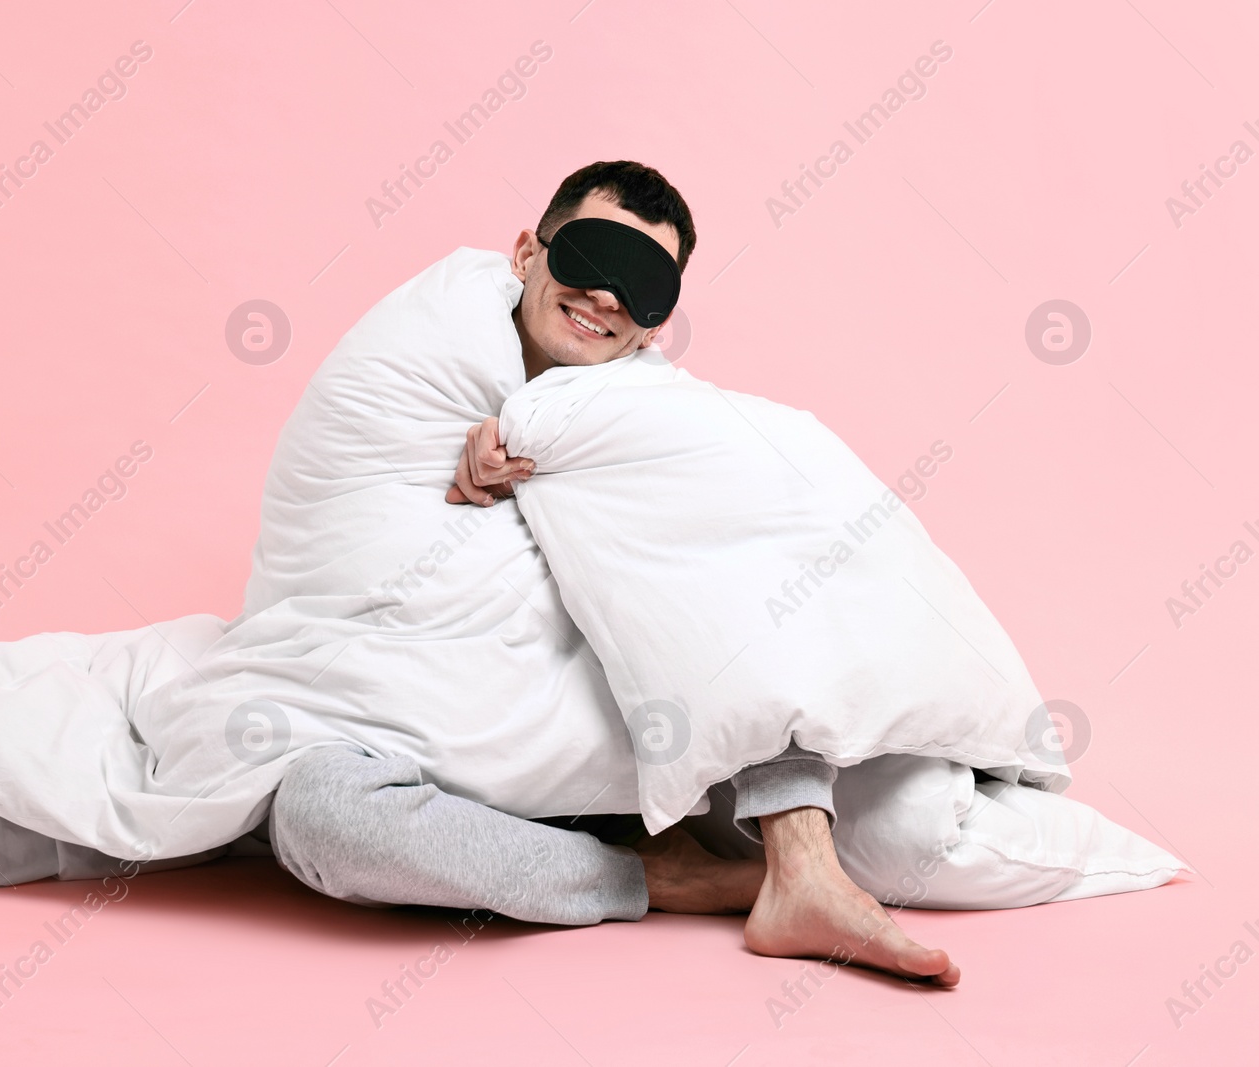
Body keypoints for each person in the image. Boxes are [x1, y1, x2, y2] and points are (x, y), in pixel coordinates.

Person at [266, 161, 959, 987]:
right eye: (590, 260)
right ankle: (661, 878)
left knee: (736, 563)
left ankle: (803, 867)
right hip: (434, 735)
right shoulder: (423, 356)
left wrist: (554, 457)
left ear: (655, 327)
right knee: (317, 814)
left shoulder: (656, 416)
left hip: (613, 742)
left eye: (641, 287)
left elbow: (767, 544)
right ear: (526, 253)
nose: (604, 297)